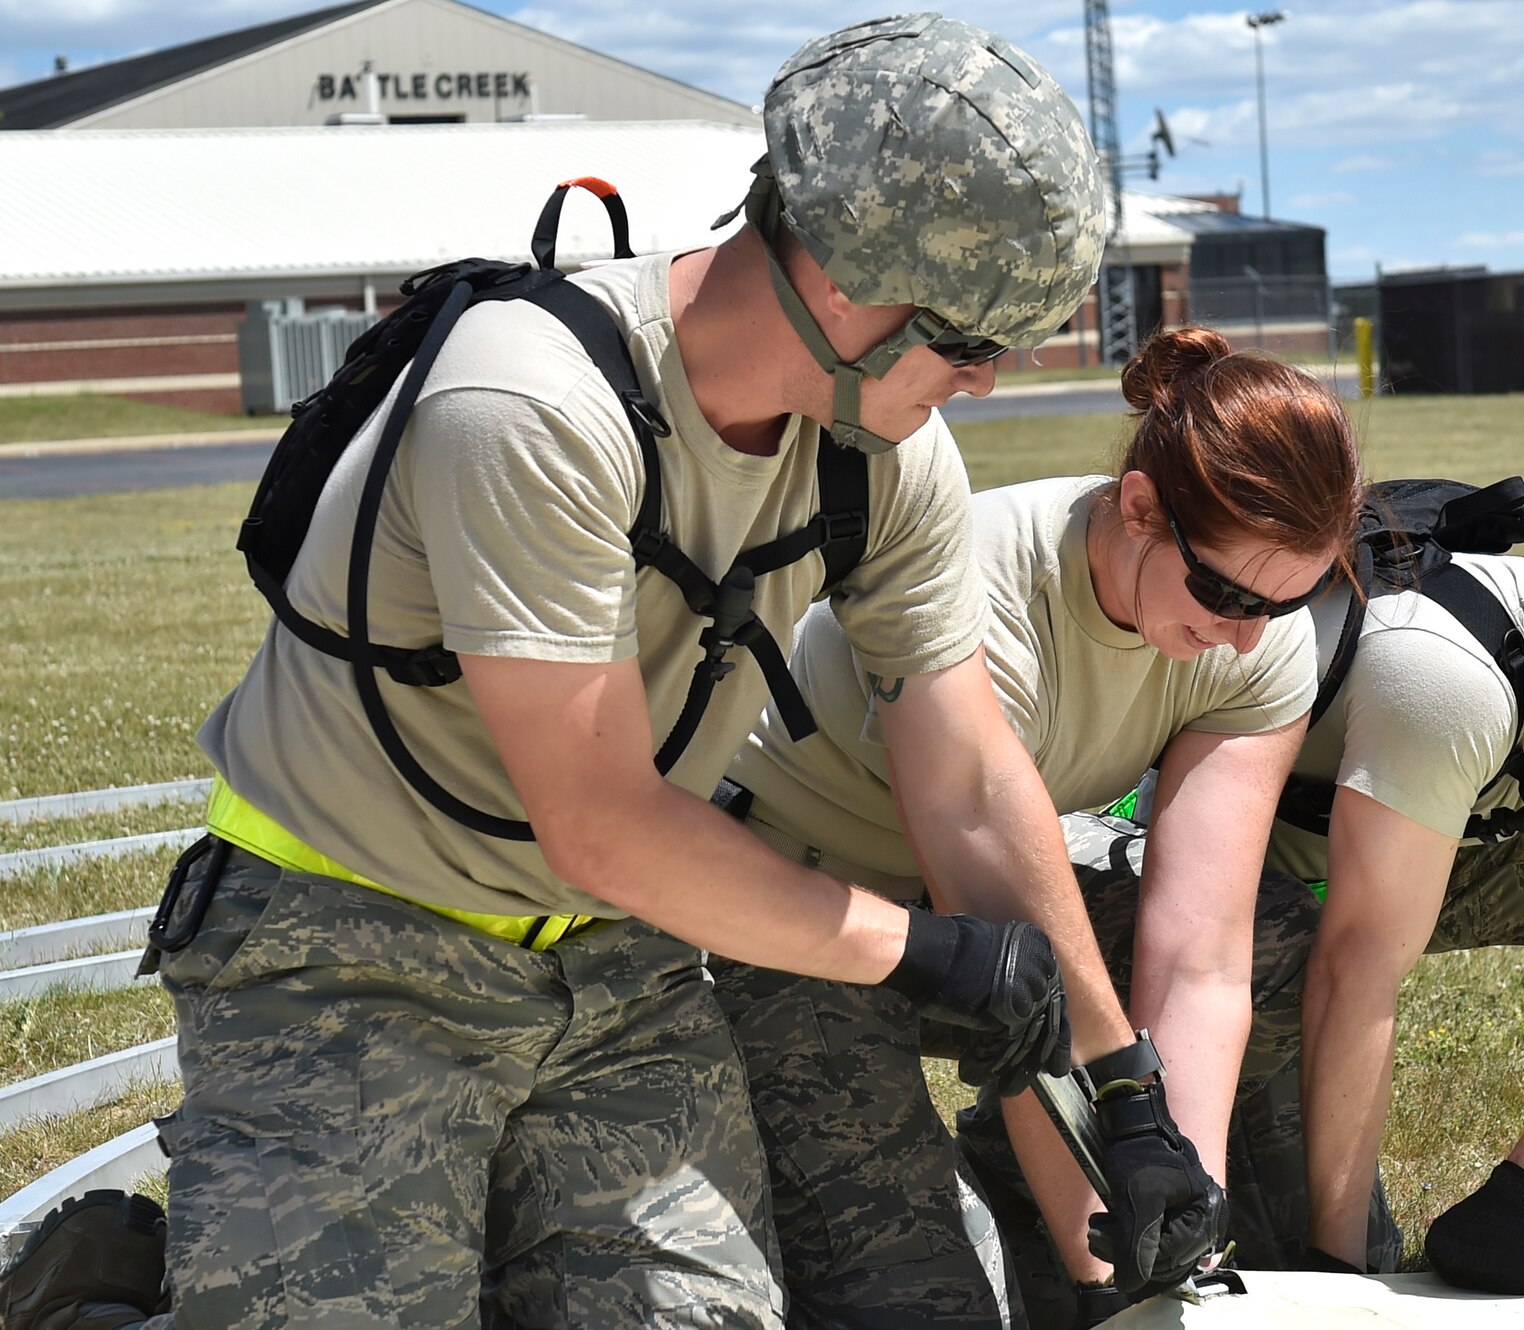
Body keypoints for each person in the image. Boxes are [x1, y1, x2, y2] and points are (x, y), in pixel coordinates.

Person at [0, 15, 1108, 1330]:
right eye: (975, 342)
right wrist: (919, 950)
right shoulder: (532, 401)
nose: (986, 384)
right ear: (855, 283)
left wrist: (1122, 1081)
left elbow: (973, 782)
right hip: (348, 942)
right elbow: (604, 822)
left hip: (614, 966)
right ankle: (97, 1301)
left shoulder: (883, 452)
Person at [965, 492, 1524, 1310]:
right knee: (1282, 1263)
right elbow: (1358, 964)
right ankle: (1029, 1172)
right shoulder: (1445, 678)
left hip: (1361, 875)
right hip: (1205, 890)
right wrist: (1340, 1265)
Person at [709, 325, 1364, 1328]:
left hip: (978, 915)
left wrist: (1164, 1187)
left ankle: (1096, 1214)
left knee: (1281, 938)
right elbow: (1006, 960)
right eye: (1228, 593)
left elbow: (1201, 955)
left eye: (1287, 603)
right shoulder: (983, 593)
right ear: (1141, 510)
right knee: (917, 1301)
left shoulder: (1255, 640)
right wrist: (1110, 1277)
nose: (1245, 636)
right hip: (792, 900)